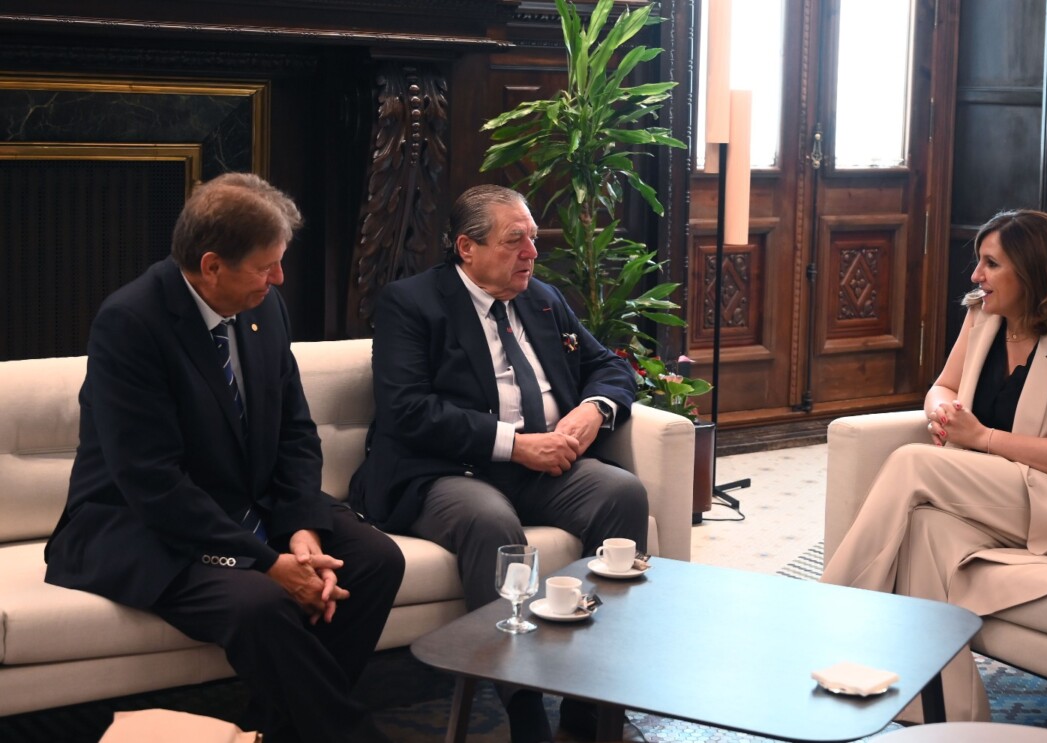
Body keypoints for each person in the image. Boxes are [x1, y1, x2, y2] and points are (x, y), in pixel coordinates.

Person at [44, 173, 406, 743]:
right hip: (143, 524)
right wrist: (268, 563)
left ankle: (275, 732)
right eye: (267, 266)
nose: (279, 278)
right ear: (211, 266)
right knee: (261, 603)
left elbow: (295, 431)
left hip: (248, 502)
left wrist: (303, 529)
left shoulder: (266, 308)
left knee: (376, 560)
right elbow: (152, 482)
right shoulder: (131, 323)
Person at [349, 184, 648, 742]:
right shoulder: (410, 303)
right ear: (467, 248)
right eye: (515, 241)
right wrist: (516, 444)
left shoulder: (543, 299)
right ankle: (524, 707)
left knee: (620, 492)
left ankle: (592, 701)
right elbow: (407, 410)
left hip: (543, 469)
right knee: (489, 520)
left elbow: (609, 367)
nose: (531, 253)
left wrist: (594, 409)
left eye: (532, 239)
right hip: (444, 472)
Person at [820, 209, 1047, 721]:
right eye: (979, 262)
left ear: (1033, 271)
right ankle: (949, 715)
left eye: (991, 264)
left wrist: (983, 437)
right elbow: (944, 386)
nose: (976, 275)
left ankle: (824, 614)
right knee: (928, 531)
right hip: (1006, 495)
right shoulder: (983, 319)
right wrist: (941, 412)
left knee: (913, 462)